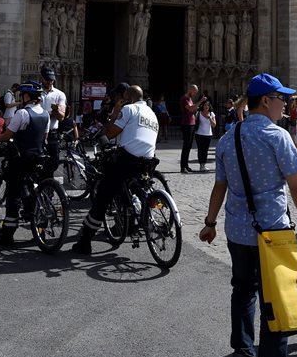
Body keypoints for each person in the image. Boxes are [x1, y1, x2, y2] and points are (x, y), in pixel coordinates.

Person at [199, 73, 297, 357]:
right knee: (277, 299)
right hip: (274, 232)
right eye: (283, 99)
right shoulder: (277, 137)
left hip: (238, 231)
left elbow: (219, 186)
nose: (287, 105)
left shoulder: (228, 138)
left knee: (243, 290)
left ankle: (243, 354)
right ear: (267, 101)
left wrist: (210, 223)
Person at [72, 84, 159, 255]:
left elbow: (110, 133)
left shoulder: (129, 109)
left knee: (104, 195)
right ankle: (134, 219)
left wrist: (116, 111)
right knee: (134, 188)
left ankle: (85, 242)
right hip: (148, 161)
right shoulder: (152, 113)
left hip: (127, 160)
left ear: (127, 98)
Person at [0, 81, 49, 245]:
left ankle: (8, 235)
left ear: (26, 96)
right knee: (33, 191)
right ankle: (40, 231)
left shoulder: (23, 114)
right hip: (38, 157)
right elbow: (44, 137)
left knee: (13, 195)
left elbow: (8, 134)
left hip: (20, 158)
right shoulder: (45, 114)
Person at [41, 66, 69, 162]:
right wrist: (50, 113)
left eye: (52, 80)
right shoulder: (36, 93)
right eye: (47, 80)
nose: (50, 82)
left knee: (53, 162)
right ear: (42, 78)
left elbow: (61, 117)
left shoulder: (59, 94)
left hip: (53, 132)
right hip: (37, 131)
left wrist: (56, 111)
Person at [180, 84, 199, 173]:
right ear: (191, 90)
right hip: (186, 124)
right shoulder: (184, 99)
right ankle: (183, 166)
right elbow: (190, 108)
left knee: (189, 146)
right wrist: (200, 101)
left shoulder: (190, 99)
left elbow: (193, 109)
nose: (195, 94)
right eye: (195, 92)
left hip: (191, 123)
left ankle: (186, 165)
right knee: (186, 146)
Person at [195, 97, 215, 172]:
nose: (206, 106)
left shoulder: (212, 114)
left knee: (205, 150)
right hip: (199, 134)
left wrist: (210, 118)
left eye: (208, 105)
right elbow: (195, 122)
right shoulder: (198, 113)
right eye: (205, 105)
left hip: (208, 134)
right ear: (202, 106)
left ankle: (204, 164)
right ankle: (201, 165)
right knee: (200, 150)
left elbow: (214, 125)